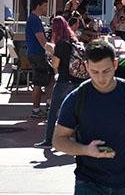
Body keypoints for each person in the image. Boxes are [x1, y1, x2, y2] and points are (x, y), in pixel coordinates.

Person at [53, 40, 125, 195]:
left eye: (106, 71)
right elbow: (58, 140)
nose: (101, 78)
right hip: (88, 184)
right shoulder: (76, 98)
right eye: (95, 72)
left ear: (115, 65)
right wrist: (86, 150)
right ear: (86, 66)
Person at [34, 16, 86, 149]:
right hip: (77, 81)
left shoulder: (61, 45)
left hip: (64, 82)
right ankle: (80, 138)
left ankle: (49, 139)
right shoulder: (74, 41)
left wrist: (51, 54)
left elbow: (55, 65)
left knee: (53, 111)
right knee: (77, 111)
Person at [26, 0, 54, 118]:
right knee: (38, 82)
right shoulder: (35, 20)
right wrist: (52, 50)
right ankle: (36, 110)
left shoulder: (34, 19)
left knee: (51, 76)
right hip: (37, 55)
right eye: (45, 5)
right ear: (38, 6)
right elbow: (42, 40)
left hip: (37, 54)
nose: (46, 8)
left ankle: (48, 103)